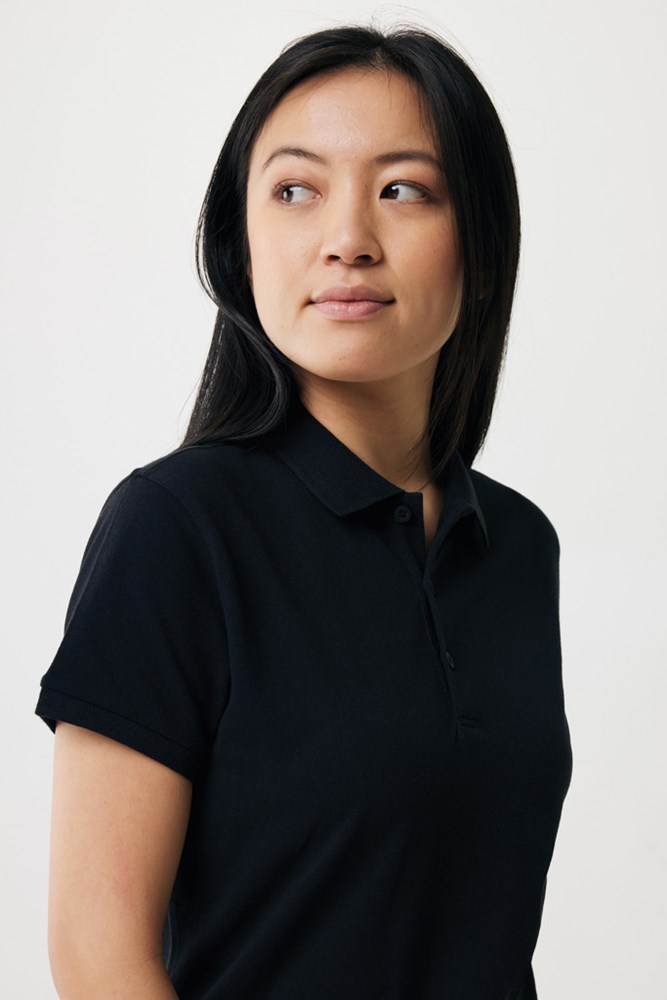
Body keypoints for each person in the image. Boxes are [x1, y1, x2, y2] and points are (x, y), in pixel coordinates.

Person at [35, 23, 573, 1000]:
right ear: (240, 248)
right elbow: (98, 958)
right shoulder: (175, 528)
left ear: (482, 242)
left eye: (403, 189)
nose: (347, 239)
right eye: (294, 189)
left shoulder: (518, 546)